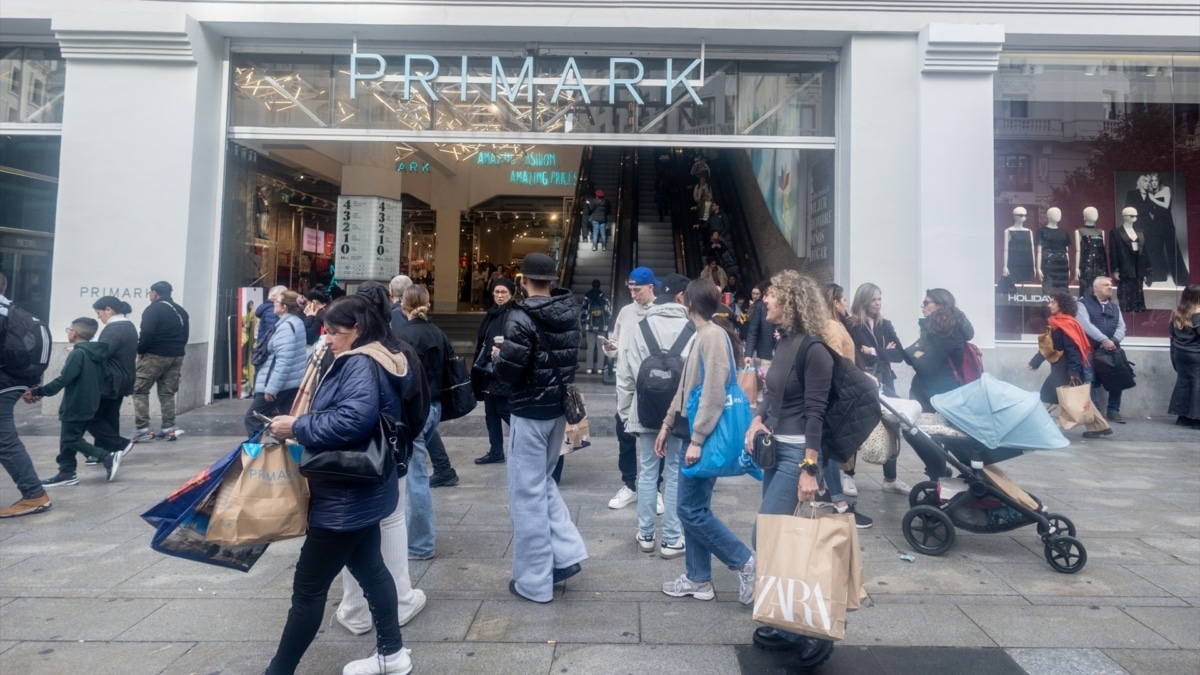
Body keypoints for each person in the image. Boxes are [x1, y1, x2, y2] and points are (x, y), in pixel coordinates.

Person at [263, 295, 412, 675]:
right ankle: (392, 656)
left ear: (358, 330)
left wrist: (295, 426)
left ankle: (278, 671)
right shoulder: (381, 355)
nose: (327, 339)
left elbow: (351, 422)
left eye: (335, 332)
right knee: (372, 571)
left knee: (308, 591)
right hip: (362, 488)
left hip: (344, 496)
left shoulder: (360, 362)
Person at [745, 270, 864, 652]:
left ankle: (812, 632)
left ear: (792, 301)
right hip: (775, 449)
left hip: (797, 455)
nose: (766, 300)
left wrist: (810, 470)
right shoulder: (784, 342)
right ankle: (787, 621)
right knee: (776, 537)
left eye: (773, 295)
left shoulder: (813, 349)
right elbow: (772, 391)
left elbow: (815, 412)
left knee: (765, 535)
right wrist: (758, 418)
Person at [491, 253, 588, 603]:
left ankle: (534, 581)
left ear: (522, 279)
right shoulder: (568, 310)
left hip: (529, 411)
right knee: (542, 482)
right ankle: (567, 553)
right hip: (558, 411)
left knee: (526, 493)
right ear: (551, 279)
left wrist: (497, 359)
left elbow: (510, 372)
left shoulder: (519, 316)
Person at [655, 280, 756, 603]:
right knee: (693, 508)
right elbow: (687, 387)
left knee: (690, 509)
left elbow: (713, 389)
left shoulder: (711, 336)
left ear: (688, 303)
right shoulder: (704, 334)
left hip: (701, 436)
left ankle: (743, 560)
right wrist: (668, 423)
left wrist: (697, 439)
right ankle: (698, 579)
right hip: (691, 432)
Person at [617, 273, 693, 561]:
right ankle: (672, 538)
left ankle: (646, 535)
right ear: (682, 297)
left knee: (648, 471)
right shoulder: (693, 327)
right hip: (680, 413)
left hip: (646, 409)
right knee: (674, 471)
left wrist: (627, 412)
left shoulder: (642, 325)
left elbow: (626, 372)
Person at [394, 285, 455, 563]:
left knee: (416, 477)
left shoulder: (401, 335)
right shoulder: (437, 332)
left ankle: (419, 545)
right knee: (415, 474)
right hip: (435, 405)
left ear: (402, 304)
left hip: (415, 409)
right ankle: (413, 538)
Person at [32, 318, 122, 486]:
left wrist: (40, 392)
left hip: (76, 402)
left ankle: (106, 456)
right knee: (71, 437)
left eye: (69, 329)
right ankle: (66, 472)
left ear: (74, 333)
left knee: (69, 439)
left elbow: (63, 379)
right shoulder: (97, 353)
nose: (68, 332)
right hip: (91, 402)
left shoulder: (78, 353)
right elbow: (106, 375)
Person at [602, 267, 660, 511]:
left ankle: (655, 487)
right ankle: (630, 485)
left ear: (651, 287)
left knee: (656, 437)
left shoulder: (661, 312)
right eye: (631, 290)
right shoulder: (625, 312)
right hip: (625, 385)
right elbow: (615, 343)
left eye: (638, 290)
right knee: (624, 436)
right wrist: (609, 347)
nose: (634, 294)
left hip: (654, 385)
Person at [845, 283, 910, 496]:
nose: (878, 303)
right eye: (874, 299)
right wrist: (883, 352)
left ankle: (890, 478)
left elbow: (899, 354)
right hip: (863, 381)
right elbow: (855, 355)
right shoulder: (851, 325)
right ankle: (848, 475)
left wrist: (874, 350)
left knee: (893, 425)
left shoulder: (886, 325)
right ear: (863, 301)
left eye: (880, 298)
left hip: (886, 381)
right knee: (855, 427)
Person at [0, 273, 52, 517]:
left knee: (4, 439)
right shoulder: (12, 310)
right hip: (13, 381)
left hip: (4, 382)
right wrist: (30, 384)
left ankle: (34, 495)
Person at [1028, 291, 1112, 439]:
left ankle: (1033, 427)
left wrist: (1073, 371)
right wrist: (1036, 361)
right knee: (1079, 398)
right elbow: (1048, 346)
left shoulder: (1066, 324)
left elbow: (1073, 349)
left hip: (1065, 368)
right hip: (1063, 366)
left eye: (1053, 302)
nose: (1049, 305)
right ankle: (1100, 426)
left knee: (1047, 396)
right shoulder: (1056, 322)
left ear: (1062, 305)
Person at [130, 281, 189, 442]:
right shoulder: (181, 311)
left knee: (139, 389)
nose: (150, 295)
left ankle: (142, 428)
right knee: (167, 393)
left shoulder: (153, 309)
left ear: (155, 293)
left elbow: (147, 332)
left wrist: (141, 350)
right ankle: (168, 427)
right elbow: (185, 335)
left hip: (155, 354)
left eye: (150, 293)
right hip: (176, 355)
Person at [244, 291, 306, 438]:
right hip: (290, 382)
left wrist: (272, 388)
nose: (274, 304)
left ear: (284, 307)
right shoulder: (295, 323)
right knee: (288, 421)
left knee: (252, 418)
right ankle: (288, 455)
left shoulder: (286, 327)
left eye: (276, 302)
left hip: (281, 384)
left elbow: (283, 360)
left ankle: (255, 456)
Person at [906, 288, 973, 412]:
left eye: (926, 303)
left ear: (940, 305)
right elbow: (906, 352)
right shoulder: (934, 330)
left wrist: (916, 352)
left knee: (931, 431)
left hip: (937, 397)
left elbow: (925, 366)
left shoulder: (947, 333)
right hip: (930, 393)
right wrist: (917, 353)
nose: (922, 306)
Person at [473, 278, 516, 464]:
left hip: (502, 369)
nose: (499, 295)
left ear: (511, 294)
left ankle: (526, 443)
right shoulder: (492, 314)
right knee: (490, 412)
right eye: (497, 292)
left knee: (503, 410)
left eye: (503, 292)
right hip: (487, 368)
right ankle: (496, 451)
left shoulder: (513, 314)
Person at [88, 297, 137, 461]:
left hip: (111, 379)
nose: (98, 317)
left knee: (90, 416)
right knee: (109, 415)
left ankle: (118, 444)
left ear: (108, 310)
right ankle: (103, 451)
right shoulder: (128, 326)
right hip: (123, 377)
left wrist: (79, 349)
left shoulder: (115, 328)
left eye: (98, 313)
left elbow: (103, 352)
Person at [1075, 277, 1127, 423]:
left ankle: (1113, 410)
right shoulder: (1082, 304)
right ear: (1095, 288)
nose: (1110, 287)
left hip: (1111, 349)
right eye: (1106, 285)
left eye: (1111, 285)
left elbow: (1121, 327)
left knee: (1117, 379)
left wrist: (1114, 341)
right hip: (1090, 348)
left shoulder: (1115, 307)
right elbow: (1085, 325)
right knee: (1089, 379)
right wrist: (1104, 340)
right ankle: (1095, 412)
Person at [1168, 285, 1200, 428]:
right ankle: (1196, 418)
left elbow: (1171, 332)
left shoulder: (1177, 312)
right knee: (1197, 384)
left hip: (1180, 353)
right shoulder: (1198, 313)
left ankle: (1182, 417)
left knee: (1183, 383)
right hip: (1196, 354)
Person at [743, 283, 777, 386]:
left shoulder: (784, 308)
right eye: (767, 295)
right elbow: (753, 331)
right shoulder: (759, 307)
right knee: (766, 383)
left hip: (781, 352)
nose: (767, 299)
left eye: (773, 295)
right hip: (766, 352)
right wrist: (748, 353)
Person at [581, 280, 611, 375]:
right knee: (601, 347)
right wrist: (606, 321)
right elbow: (608, 312)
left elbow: (584, 311)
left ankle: (589, 368)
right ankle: (600, 368)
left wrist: (583, 321)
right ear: (599, 286)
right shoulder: (604, 297)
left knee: (590, 347)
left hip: (589, 326)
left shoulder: (587, 297)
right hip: (602, 326)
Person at [241, 300, 259, 397]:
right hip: (253, 345)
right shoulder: (254, 316)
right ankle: (252, 389)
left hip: (252, 345)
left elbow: (246, 323)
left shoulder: (252, 316)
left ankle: (252, 389)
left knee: (251, 367)